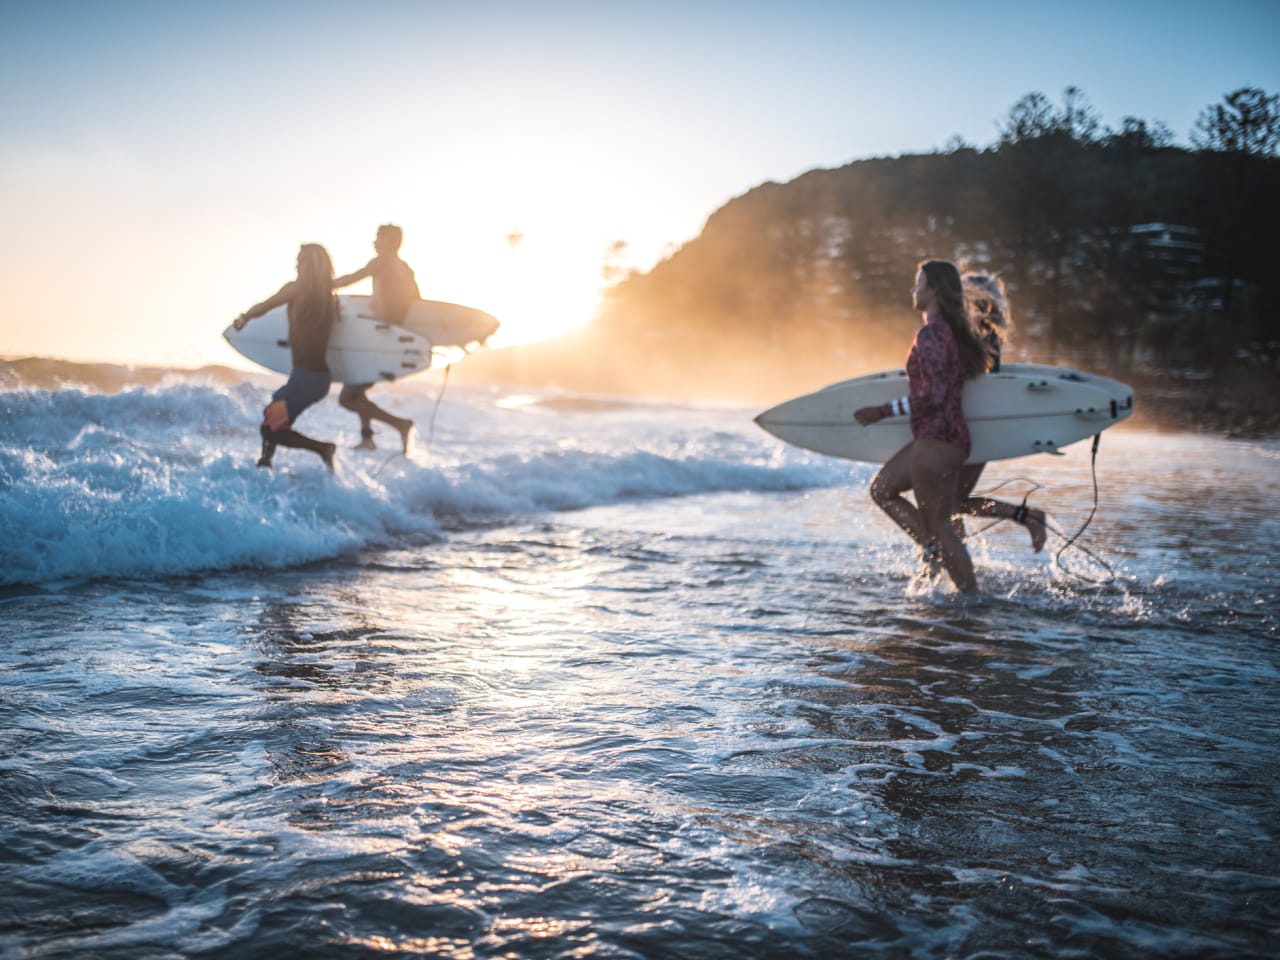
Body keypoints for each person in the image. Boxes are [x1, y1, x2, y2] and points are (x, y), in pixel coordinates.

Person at [854, 260, 990, 593]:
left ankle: (971, 599)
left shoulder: (932, 334)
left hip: (937, 441)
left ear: (934, 291)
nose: (913, 290)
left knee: (942, 526)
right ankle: (932, 550)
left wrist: (882, 412)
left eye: (919, 284)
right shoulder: (949, 331)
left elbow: (933, 395)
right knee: (883, 490)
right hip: (941, 439)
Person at [955, 273, 1047, 551]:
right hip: (974, 424)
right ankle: (947, 558)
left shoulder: (978, 335)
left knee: (948, 501)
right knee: (949, 502)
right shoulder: (982, 333)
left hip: (973, 426)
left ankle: (1028, 517)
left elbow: (977, 384)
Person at [233, 244, 338, 471]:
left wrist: (245, 318)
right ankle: (265, 462)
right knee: (273, 415)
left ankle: (322, 449)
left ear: (309, 264)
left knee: (269, 428)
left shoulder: (296, 289)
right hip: (314, 378)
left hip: (307, 379)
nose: (296, 264)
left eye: (300, 260)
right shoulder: (328, 297)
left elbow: (267, 305)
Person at [331, 224, 417, 453]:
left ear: (389, 242)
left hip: (377, 340)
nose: (374, 242)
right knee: (356, 392)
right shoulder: (406, 269)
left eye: (378, 237)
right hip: (390, 340)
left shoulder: (381, 261)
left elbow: (352, 278)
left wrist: (322, 285)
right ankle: (367, 439)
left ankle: (400, 424)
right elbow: (418, 304)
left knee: (347, 398)